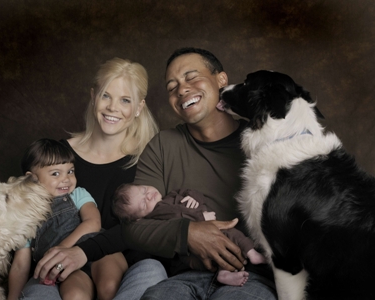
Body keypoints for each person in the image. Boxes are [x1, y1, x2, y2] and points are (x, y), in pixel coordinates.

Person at [121, 47, 277, 299]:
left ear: (221, 79)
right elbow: (133, 228)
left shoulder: (263, 139)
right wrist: (188, 233)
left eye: (191, 77)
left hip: (252, 278)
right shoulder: (163, 146)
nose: (181, 90)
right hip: (184, 277)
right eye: (172, 87)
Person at [30, 58, 164, 300]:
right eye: (106, 96)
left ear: (138, 108)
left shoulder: (149, 158)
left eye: (125, 100)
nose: (113, 107)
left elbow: (156, 225)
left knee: (141, 278)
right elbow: (29, 210)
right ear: (93, 97)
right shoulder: (59, 156)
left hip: (121, 269)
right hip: (63, 264)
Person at [8, 138, 125, 300]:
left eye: (70, 171)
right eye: (56, 173)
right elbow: (21, 265)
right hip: (68, 270)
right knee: (74, 295)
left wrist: (62, 249)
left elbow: (93, 223)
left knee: (109, 287)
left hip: (99, 251)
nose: (66, 179)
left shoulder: (77, 195)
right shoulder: (25, 216)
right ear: (32, 179)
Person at [112, 183, 266, 287]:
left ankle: (249, 254)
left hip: (210, 230)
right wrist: (201, 219)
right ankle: (228, 269)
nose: (149, 196)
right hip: (191, 248)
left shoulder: (171, 196)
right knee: (223, 242)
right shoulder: (158, 215)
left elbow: (190, 191)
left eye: (144, 190)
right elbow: (179, 221)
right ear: (140, 218)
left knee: (232, 234)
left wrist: (194, 197)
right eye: (144, 204)